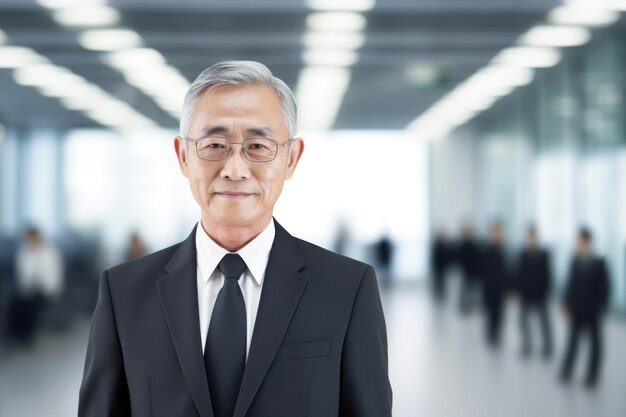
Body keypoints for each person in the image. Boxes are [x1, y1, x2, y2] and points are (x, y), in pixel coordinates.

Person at [79, 61, 392, 417]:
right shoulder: (124, 294)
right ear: (183, 156)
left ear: (291, 158)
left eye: (258, 146)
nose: (234, 169)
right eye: (214, 144)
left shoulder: (347, 290)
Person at [560, 228, 610, 389]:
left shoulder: (599, 263)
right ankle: (567, 370)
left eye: (582, 242)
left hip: (593, 310)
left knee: (595, 344)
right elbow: (570, 285)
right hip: (577, 308)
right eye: (578, 242)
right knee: (572, 341)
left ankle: (592, 375)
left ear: (588, 242)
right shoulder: (575, 261)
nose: (580, 245)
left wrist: (602, 307)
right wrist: (567, 304)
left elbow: (605, 288)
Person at [8, 227, 63, 344]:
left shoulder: (49, 252)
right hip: (28, 289)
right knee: (16, 301)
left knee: (30, 304)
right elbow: (23, 275)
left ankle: (26, 336)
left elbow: (52, 276)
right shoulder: (24, 252)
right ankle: (14, 333)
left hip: (46, 290)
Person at [517, 226, 552, 358]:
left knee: (544, 321)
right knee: (523, 320)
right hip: (526, 293)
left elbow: (547, 275)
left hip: (540, 293)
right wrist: (518, 290)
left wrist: (547, 291)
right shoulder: (523, 254)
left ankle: (547, 345)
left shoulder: (544, 254)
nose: (531, 239)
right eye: (529, 237)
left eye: (533, 237)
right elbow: (520, 274)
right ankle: (527, 343)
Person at [479, 221, 508, 348]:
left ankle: (496, 335)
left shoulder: (504, 249)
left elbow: (507, 271)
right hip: (490, 288)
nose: (497, 235)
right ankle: (491, 335)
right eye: (495, 232)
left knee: (500, 314)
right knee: (491, 314)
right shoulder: (487, 250)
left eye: (499, 232)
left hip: (501, 288)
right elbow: (483, 272)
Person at [456, 223, 481, 313]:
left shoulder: (474, 245)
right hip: (466, 271)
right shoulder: (463, 245)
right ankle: (465, 307)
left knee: (472, 290)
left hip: (473, 271)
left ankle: (471, 306)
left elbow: (477, 259)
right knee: (466, 290)